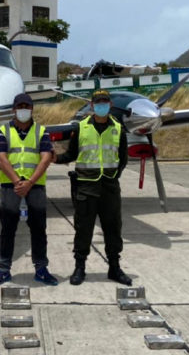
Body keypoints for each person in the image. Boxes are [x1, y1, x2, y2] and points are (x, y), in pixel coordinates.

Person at [54, 89, 131, 286]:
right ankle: (80, 267)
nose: (102, 105)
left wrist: (113, 176)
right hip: (86, 188)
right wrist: (55, 158)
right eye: (98, 102)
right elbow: (71, 154)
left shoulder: (119, 128)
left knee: (113, 228)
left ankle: (114, 267)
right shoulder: (81, 128)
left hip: (110, 187)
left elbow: (123, 158)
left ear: (110, 105)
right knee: (83, 229)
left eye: (105, 102)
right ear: (91, 105)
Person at [0, 93, 57, 286]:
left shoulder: (41, 131)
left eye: (27, 106)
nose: (23, 110)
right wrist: (19, 181)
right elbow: (1, 158)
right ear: (13, 109)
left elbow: (46, 158)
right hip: (11, 186)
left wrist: (28, 182)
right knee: (7, 229)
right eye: (20, 106)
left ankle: (41, 268)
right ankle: (4, 269)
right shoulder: (3, 130)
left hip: (34, 186)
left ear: (32, 109)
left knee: (38, 229)